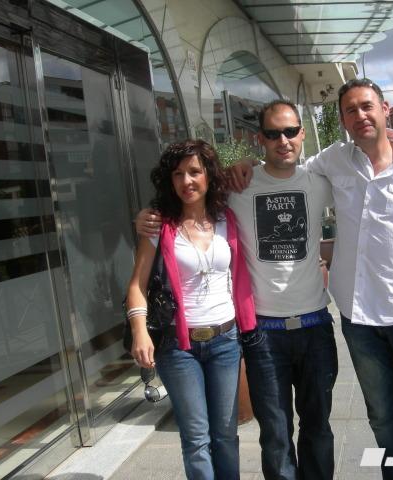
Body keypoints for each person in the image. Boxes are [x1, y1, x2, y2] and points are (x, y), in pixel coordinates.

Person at [231, 79, 393, 480]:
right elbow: (283, 168)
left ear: (384, 109)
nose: (360, 115)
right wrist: (242, 163)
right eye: (350, 110)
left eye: (367, 106)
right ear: (342, 120)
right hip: (358, 321)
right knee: (381, 419)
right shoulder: (333, 162)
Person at [135, 100, 338, 480]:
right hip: (263, 335)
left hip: (315, 327)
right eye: (273, 133)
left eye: (290, 131)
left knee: (318, 428)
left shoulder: (319, 182)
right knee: (275, 435)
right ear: (260, 138)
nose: (283, 140)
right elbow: (193, 191)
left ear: (302, 134)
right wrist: (147, 217)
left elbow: (365, 177)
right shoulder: (237, 187)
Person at [126, 139, 256, 480]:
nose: (187, 181)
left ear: (209, 175)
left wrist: (247, 159)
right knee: (196, 438)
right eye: (178, 174)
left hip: (226, 342)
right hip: (177, 346)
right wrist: (140, 332)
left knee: (225, 434)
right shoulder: (159, 225)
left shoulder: (227, 218)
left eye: (195, 172)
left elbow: (259, 164)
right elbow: (137, 285)